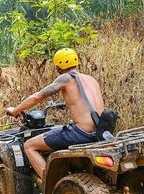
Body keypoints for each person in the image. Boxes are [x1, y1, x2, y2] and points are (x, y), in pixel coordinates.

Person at [6, 48, 103, 181]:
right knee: (59, 130)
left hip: (81, 134)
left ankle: (51, 186)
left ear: (59, 65)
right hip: (100, 132)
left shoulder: (66, 78)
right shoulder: (91, 79)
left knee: (29, 145)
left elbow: (37, 97)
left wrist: (15, 110)